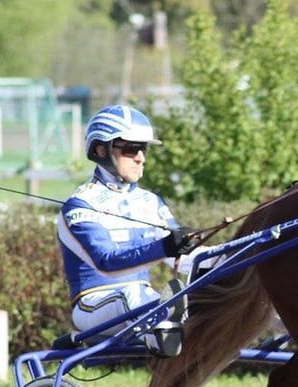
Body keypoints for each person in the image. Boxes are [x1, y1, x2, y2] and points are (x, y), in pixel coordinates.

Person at [56, 104, 202, 355]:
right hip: (94, 306)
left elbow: (185, 260)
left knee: (201, 293)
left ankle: (166, 323)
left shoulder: (150, 201)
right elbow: (106, 262)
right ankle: (162, 334)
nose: (141, 157)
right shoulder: (80, 205)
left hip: (145, 302)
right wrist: (166, 245)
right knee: (133, 294)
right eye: (131, 148)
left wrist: (246, 250)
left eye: (143, 149)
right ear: (101, 149)